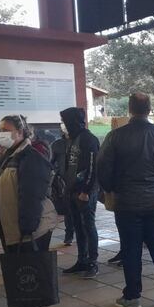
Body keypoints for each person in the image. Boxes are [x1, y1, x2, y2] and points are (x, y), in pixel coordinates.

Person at [97, 92, 154, 307]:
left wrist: (112, 188)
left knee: (131, 249)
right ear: (150, 110)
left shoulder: (116, 136)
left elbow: (103, 169)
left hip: (127, 202)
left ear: (130, 110)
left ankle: (132, 296)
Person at [0, 114, 57, 307]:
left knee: (30, 267)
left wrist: (27, 228)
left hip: (30, 226)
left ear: (20, 132)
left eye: (6, 130)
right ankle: (24, 305)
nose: (2, 134)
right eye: (0, 130)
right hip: (12, 226)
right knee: (19, 268)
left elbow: (31, 195)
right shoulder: (7, 155)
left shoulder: (31, 156)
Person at [59, 108, 101, 278]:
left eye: (64, 121)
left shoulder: (88, 139)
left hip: (85, 191)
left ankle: (93, 262)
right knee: (78, 226)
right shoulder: (72, 138)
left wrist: (86, 190)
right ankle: (82, 260)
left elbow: (92, 167)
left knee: (88, 226)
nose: (62, 125)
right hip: (72, 190)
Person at [50, 124, 75, 246]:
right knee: (68, 211)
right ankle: (69, 235)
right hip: (64, 184)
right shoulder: (57, 144)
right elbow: (51, 162)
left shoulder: (81, 141)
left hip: (78, 182)